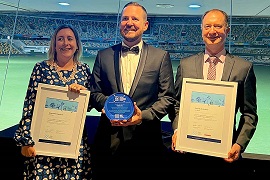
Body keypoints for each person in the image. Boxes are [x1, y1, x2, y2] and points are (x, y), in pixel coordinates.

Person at [89, 1, 175, 179]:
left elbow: (167, 98)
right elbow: (94, 92)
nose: (129, 22)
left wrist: (141, 116)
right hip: (108, 142)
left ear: (145, 25)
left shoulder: (160, 57)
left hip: (146, 143)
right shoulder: (103, 55)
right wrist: (111, 107)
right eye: (125, 18)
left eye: (135, 18)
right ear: (120, 23)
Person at [170, 9, 258, 174]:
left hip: (224, 153)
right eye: (207, 26)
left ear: (227, 30)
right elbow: (176, 104)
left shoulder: (243, 68)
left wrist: (238, 144)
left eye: (218, 26)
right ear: (201, 29)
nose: (212, 31)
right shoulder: (185, 65)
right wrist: (177, 130)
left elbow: (249, 114)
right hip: (188, 152)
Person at [14, 24, 92, 179]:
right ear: (54, 45)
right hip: (44, 143)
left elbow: (88, 106)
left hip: (73, 144)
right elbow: (29, 105)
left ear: (77, 45)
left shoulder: (84, 70)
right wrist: (25, 140)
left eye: (70, 39)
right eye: (60, 39)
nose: (65, 43)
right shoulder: (41, 68)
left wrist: (84, 93)